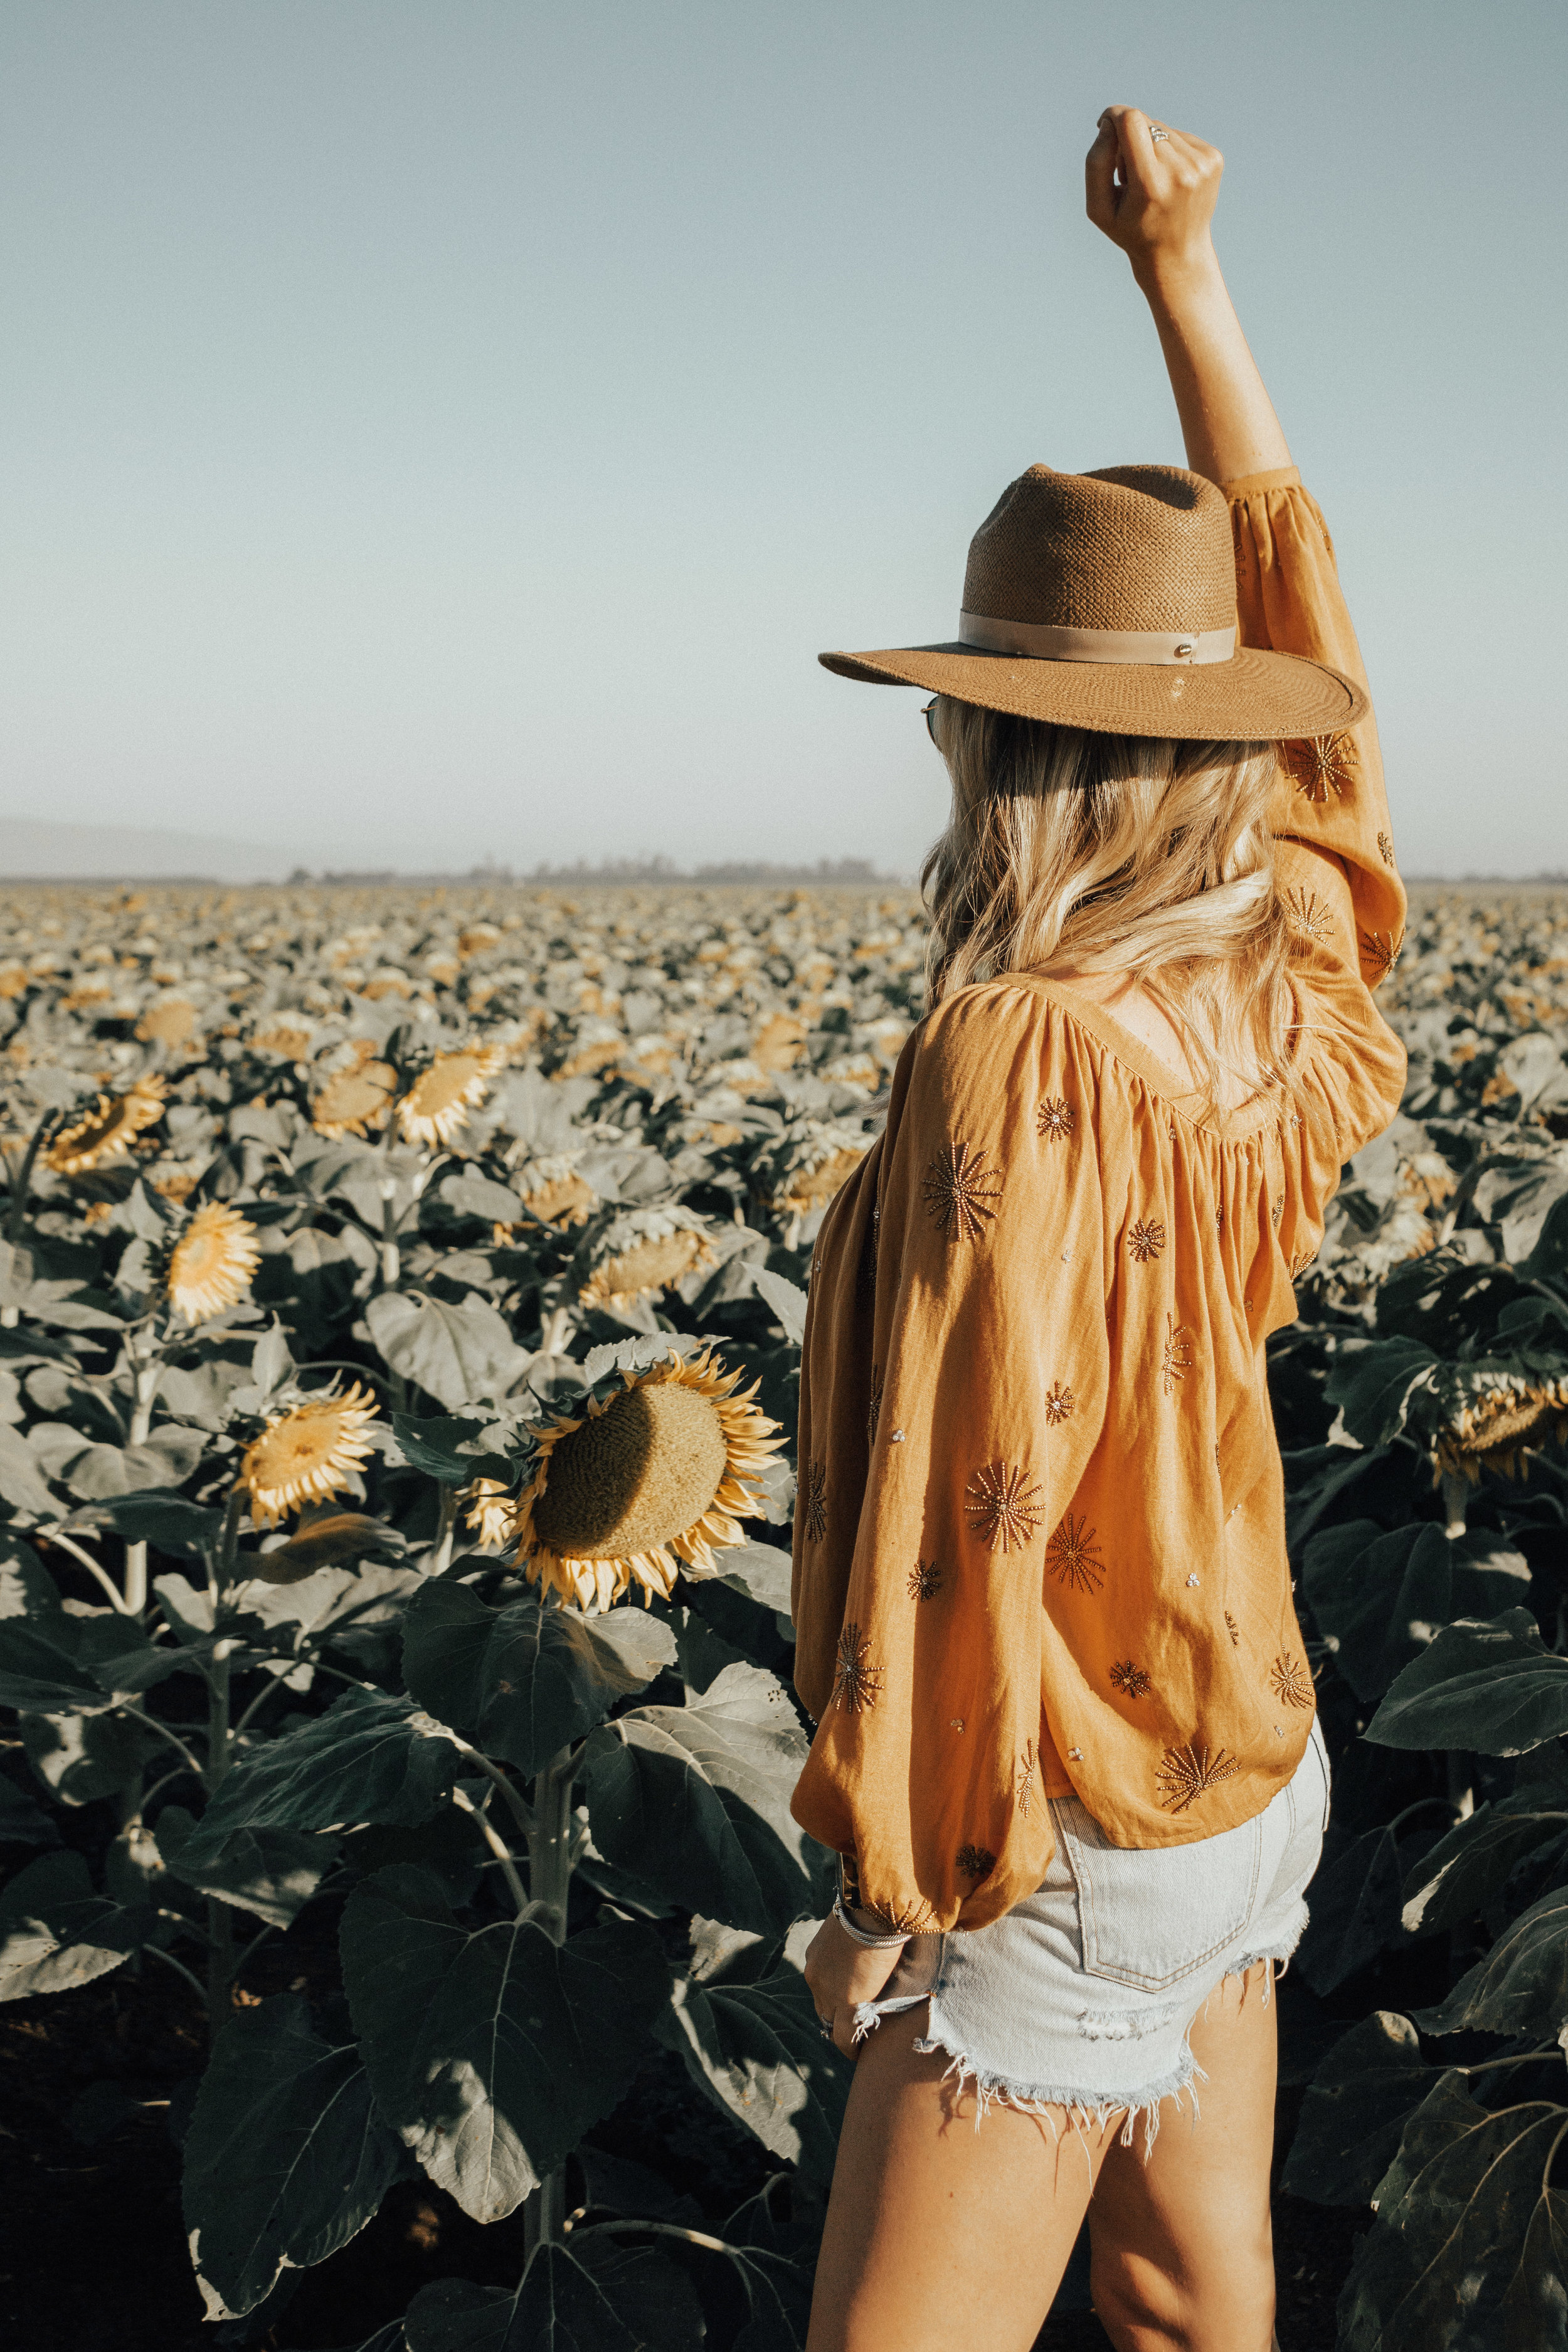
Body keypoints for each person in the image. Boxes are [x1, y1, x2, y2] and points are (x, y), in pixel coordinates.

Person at [790, 104, 1406, 2352]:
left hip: (1053, 1821)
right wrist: (1188, 275)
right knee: (1187, 2314)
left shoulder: (1017, 1052)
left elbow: (963, 1502)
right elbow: (1326, 718)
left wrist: (890, 1886)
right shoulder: (1286, 990)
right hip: (1242, 1767)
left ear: (996, 742)